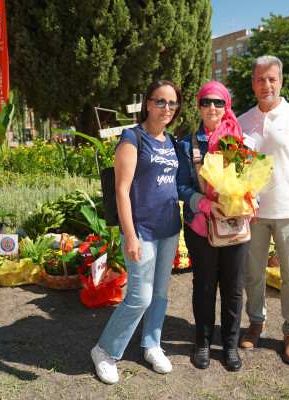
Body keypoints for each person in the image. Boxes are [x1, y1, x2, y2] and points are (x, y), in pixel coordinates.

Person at [91, 80, 182, 384]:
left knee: (159, 294)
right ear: (147, 103)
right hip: (141, 229)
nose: (166, 108)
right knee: (138, 297)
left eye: (172, 103)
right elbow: (121, 190)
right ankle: (105, 351)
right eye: (160, 101)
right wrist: (130, 236)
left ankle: (152, 344)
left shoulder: (171, 141)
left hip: (169, 229)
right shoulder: (133, 138)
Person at [237, 55, 289, 365]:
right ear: (253, 84)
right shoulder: (242, 121)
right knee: (253, 274)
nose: (266, 84)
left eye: (272, 78)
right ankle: (256, 322)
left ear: (281, 81)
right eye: (260, 79)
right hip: (253, 213)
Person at [175, 81, 247, 371]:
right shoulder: (186, 143)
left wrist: (244, 198)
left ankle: (229, 344)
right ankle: (202, 342)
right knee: (204, 286)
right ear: (199, 106)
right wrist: (205, 205)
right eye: (206, 102)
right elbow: (180, 186)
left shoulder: (240, 141)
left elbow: (250, 180)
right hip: (200, 226)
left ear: (226, 105)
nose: (212, 107)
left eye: (218, 102)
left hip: (234, 226)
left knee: (233, 288)